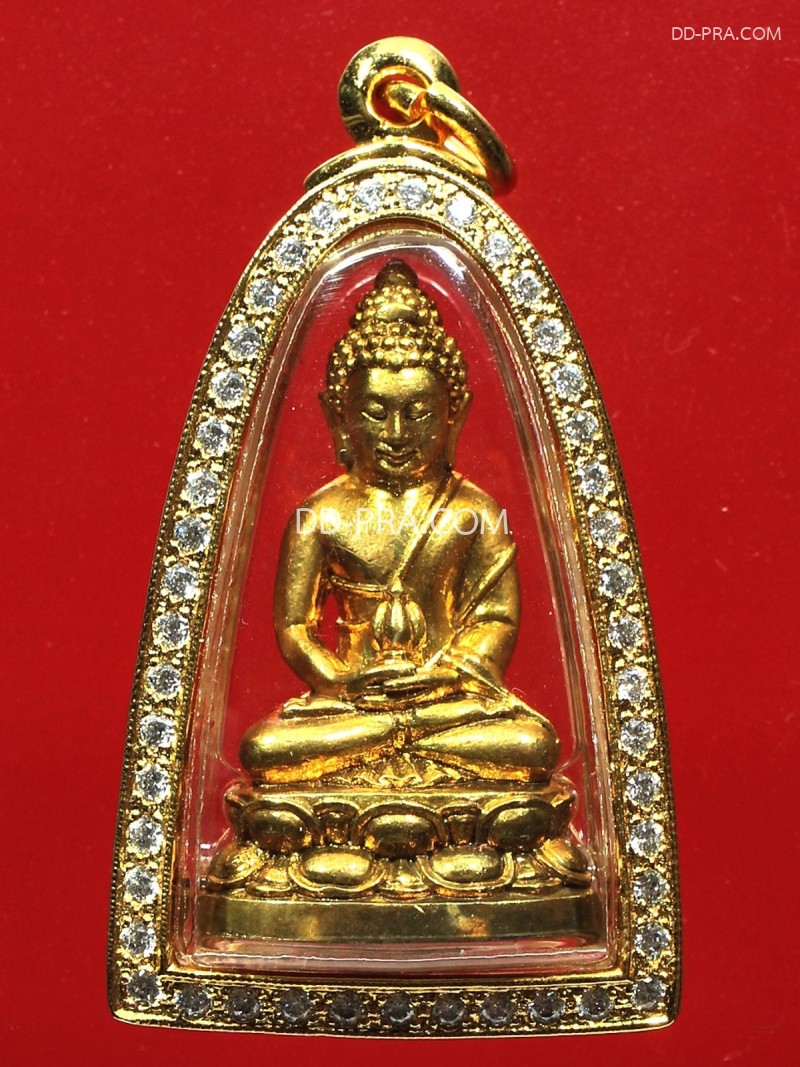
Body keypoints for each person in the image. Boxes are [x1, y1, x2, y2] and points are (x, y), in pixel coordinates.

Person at [240, 261, 559, 786]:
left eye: (418, 412)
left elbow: (496, 620)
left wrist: (443, 680)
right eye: (373, 412)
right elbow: (295, 628)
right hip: (353, 702)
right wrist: (343, 682)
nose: (395, 433)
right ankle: (394, 735)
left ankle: (396, 735)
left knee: (529, 745)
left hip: (446, 703)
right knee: (265, 748)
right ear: (338, 416)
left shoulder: (474, 511)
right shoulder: (320, 515)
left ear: (455, 414)